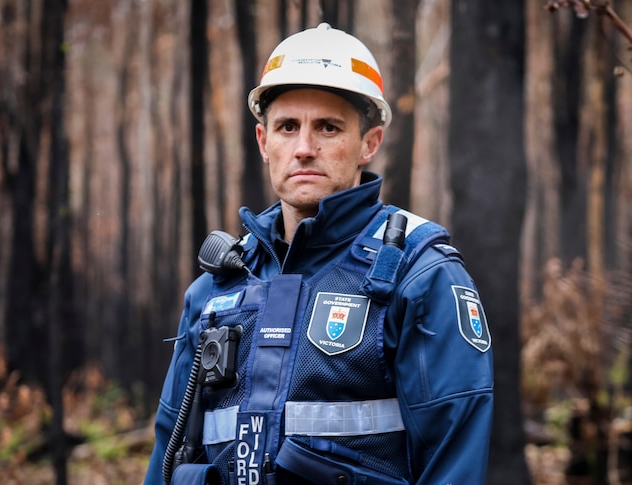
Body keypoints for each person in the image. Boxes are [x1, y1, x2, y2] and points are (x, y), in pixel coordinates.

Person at [144, 23, 493, 485]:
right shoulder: (218, 287)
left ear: (369, 143)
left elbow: (454, 464)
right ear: (264, 142)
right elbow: (168, 452)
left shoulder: (420, 275)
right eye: (288, 127)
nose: (305, 148)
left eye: (328, 127)